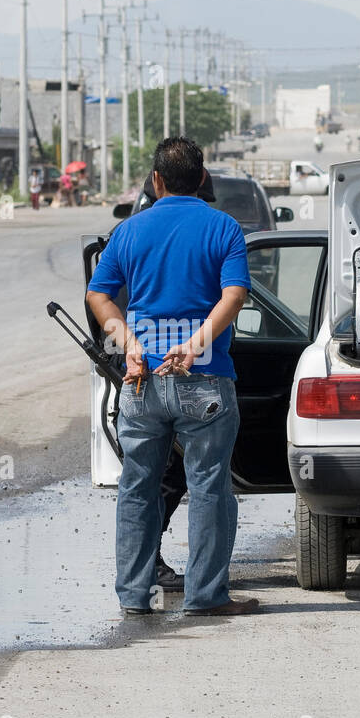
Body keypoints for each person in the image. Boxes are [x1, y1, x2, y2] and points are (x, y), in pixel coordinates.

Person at [86, 137, 257, 616]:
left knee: (137, 487)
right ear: (203, 179)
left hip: (140, 381)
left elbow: (99, 296)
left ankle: (135, 597)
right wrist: (196, 344)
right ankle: (205, 597)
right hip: (204, 381)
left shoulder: (129, 231)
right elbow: (235, 296)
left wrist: (130, 344)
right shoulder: (223, 227)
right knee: (209, 488)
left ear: (156, 180)